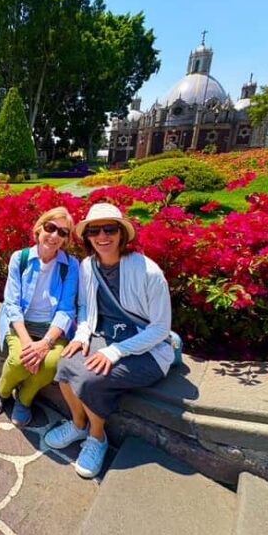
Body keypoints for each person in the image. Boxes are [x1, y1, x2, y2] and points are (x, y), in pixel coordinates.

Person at [44, 203, 174, 478]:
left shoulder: (148, 272)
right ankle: (78, 424)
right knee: (65, 362)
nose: (102, 236)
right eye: (94, 230)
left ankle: (97, 437)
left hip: (147, 348)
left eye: (110, 229)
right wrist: (81, 336)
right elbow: (85, 310)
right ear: (87, 236)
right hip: (104, 336)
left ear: (121, 233)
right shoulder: (88, 266)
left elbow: (161, 329)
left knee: (91, 379)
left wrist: (115, 352)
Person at [0, 207, 80, 427]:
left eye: (63, 232)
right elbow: (12, 304)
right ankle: (2, 390)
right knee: (19, 359)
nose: (55, 236)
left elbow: (67, 310)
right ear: (39, 228)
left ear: (66, 239)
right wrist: (28, 342)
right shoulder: (21, 258)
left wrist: (46, 343)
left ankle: (25, 399)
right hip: (21, 324)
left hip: (52, 328)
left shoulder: (71, 265)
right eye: (50, 228)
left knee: (52, 363)